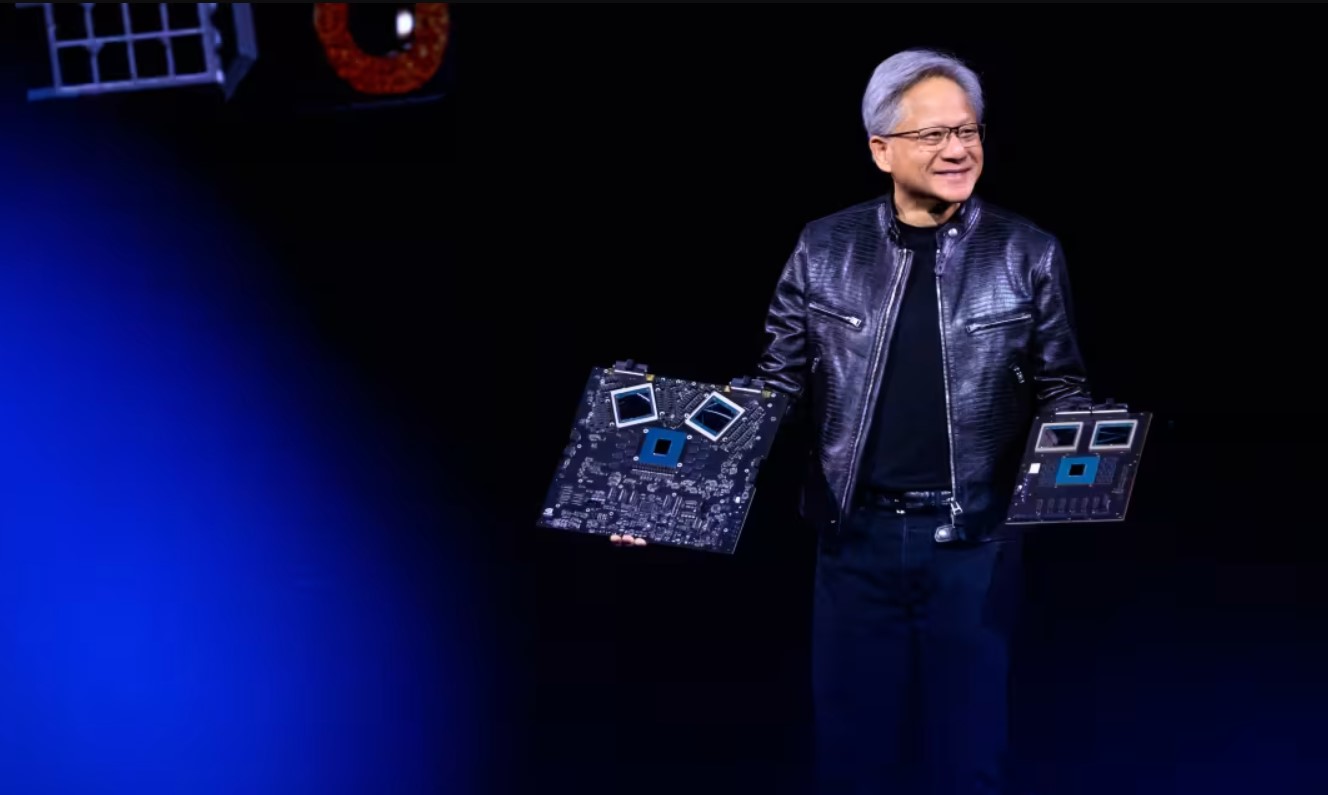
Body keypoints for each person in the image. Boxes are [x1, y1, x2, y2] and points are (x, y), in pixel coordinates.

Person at [614, 48, 1092, 794]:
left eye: (968, 130)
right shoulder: (825, 247)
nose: (958, 149)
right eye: (932, 135)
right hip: (854, 545)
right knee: (852, 761)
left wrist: (1079, 479)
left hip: (974, 547)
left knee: (969, 762)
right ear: (881, 150)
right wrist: (657, 490)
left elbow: (1064, 393)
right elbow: (774, 389)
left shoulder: (1027, 252)